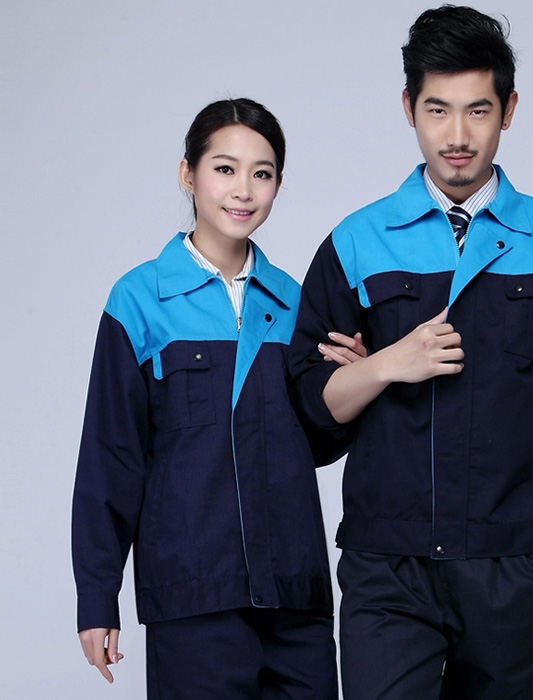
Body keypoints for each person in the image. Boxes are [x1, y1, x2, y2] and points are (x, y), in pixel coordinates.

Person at [288, 6, 533, 699]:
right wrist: (386, 363)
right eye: (437, 110)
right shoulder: (356, 243)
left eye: (478, 111)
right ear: (409, 108)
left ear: (509, 110)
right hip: (388, 568)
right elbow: (313, 412)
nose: (458, 136)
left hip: (513, 569)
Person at [71, 98, 363, 700]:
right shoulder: (139, 300)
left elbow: (315, 443)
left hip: (295, 595)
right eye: (225, 169)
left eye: (263, 173)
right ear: (189, 174)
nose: (244, 190)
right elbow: (111, 457)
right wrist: (97, 597)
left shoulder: (294, 303)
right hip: (193, 597)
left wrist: (352, 383)